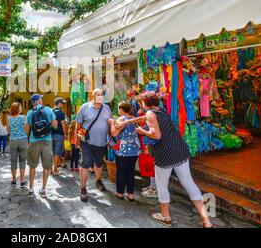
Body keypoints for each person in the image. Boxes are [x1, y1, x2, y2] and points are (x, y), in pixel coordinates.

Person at [132, 91, 212, 228]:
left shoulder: (150, 114)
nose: (141, 104)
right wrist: (129, 121)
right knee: (189, 183)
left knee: (162, 185)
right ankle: (206, 220)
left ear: (145, 103)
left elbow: (155, 135)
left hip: (165, 154)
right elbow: (148, 118)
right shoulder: (161, 110)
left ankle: (165, 216)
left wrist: (142, 131)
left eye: (141, 102)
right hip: (179, 150)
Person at [76, 88, 113, 202]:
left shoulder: (107, 109)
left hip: (101, 142)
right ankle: (83, 188)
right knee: (86, 163)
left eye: (102, 94)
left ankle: (98, 180)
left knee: (99, 163)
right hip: (86, 142)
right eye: (98, 94)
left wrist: (111, 139)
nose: (100, 96)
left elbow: (110, 125)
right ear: (93, 96)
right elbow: (78, 125)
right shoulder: (84, 107)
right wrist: (76, 139)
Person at [24, 94, 57, 198]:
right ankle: (43, 189)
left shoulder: (29, 113)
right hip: (47, 141)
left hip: (34, 142)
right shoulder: (48, 110)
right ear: (39, 100)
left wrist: (29, 140)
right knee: (46, 166)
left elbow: (26, 129)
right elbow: (55, 125)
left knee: (32, 166)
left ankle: (31, 189)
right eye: (41, 98)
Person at [109, 101, 141, 201]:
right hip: (134, 150)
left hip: (123, 151)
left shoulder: (122, 119)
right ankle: (130, 194)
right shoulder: (134, 119)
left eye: (119, 109)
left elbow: (114, 133)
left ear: (122, 109)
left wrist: (111, 123)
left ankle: (120, 192)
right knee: (130, 173)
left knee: (121, 172)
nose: (118, 111)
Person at [8, 102, 28, 188]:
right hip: (23, 140)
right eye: (20, 107)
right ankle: (22, 181)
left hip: (13, 140)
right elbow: (26, 129)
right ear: (17, 109)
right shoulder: (23, 117)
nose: (21, 109)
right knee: (22, 161)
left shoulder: (9, 119)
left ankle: (13, 180)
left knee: (13, 161)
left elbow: (8, 131)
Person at [51, 97, 68, 176]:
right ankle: (55, 170)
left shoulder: (50, 111)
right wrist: (65, 134)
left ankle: (51, 169)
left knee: (53, 152)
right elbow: (63, 124)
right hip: (59, 134)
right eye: (62, 103)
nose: (63, 104)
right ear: (59, 103)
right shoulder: (61, 113)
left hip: (51, 134)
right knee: (57, 152)